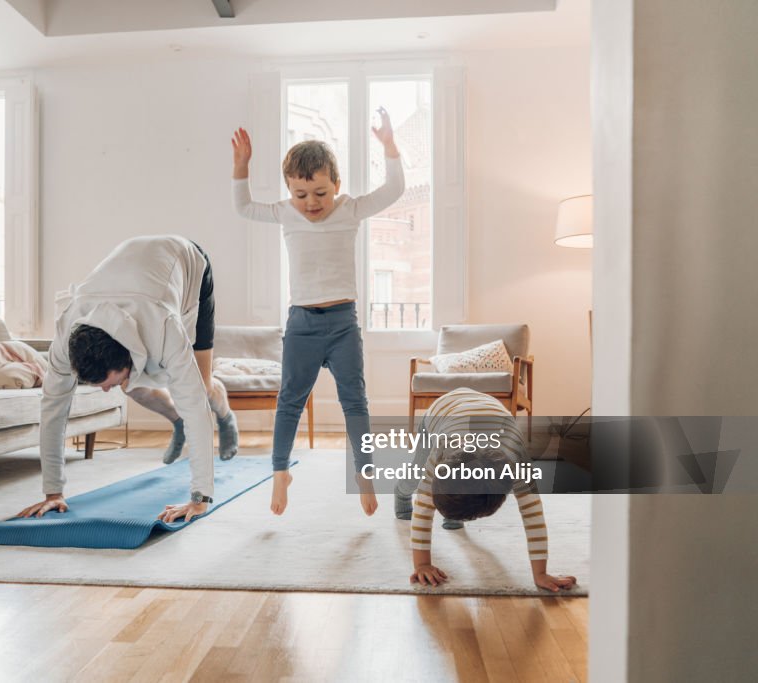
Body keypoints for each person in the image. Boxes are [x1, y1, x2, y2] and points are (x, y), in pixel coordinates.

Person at [230, 107, 405, 516]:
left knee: (355, 401)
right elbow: (243, 207)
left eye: (321, 194)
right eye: (301, 194)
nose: (311, 203)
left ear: (337, 186)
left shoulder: (350, 209)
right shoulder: (283, 212)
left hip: (343, 323)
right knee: (289, 400)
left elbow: (394, 190)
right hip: (302, 325)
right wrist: (241, 165)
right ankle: (279, 474)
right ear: (290, 191)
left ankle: (365, 473)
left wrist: (391, 148)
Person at [17, 235, 239, 524]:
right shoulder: (66, 333)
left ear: (127, 357)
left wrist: (200, 498)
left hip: (188, 265)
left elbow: (195, 405)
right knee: (131, 386)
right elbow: (52, 410)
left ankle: (226, 416)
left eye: (107, 382)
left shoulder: (164, 327)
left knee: (203, 387)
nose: (106, 390)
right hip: (133, 275)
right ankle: (176, 420)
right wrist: (52, 492)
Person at [394, 388, 577, 592]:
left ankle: (454, 516)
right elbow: (423, 505)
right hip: (440, 413)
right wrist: (422, 564)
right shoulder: (442, 449)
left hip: (483, 414)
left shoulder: (515, 459)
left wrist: (540, 573)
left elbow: (532, 511)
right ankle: (400, 493)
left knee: (460, 497)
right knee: (415, 476)